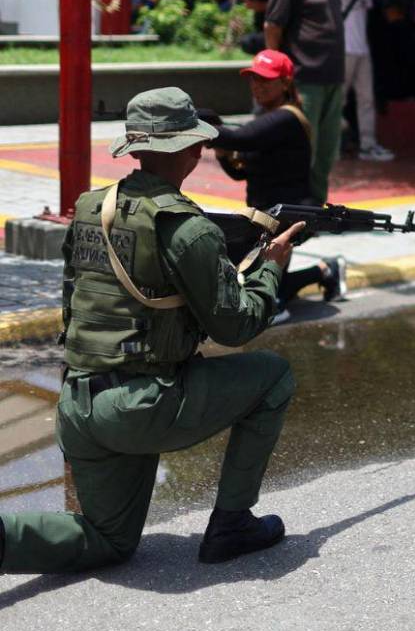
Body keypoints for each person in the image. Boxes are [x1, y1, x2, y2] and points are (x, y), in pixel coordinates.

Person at [0, 88, 302, 574]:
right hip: (139, 408)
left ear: (137, 150)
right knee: (273, 377)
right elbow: (237, 325)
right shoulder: (188, 228)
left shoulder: (88, 208)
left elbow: (73, 301)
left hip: (79, 405)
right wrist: (271, 269)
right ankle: (232, 524)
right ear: (189, 149)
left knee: (108, 541)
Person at [205, 50, 346, 319]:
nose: (257, 86)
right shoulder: (267, 120)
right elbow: (240, 171)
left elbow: (241, 138)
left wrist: (191, 123)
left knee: (267, 302)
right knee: (248, 280)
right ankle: (325, 270)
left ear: (285, 83)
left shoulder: (288, 118)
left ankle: (321, 273)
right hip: (263, 216)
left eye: (265, 81)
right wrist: (223, 152)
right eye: (253, 80)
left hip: (286, 218)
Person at [264, 0, 352, 204]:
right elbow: (273, 26)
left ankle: (315, 208)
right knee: (302, 149)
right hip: (304, 79)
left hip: (332, 78)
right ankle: (293, 210)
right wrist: (277, 77)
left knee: (326, 151)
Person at [337, 0, 393, 162]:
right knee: (338, 99)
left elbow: (366, 17)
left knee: (366, 99)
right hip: (345, 49)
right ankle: (332, 143)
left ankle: (368, 145)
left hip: (362, 50)